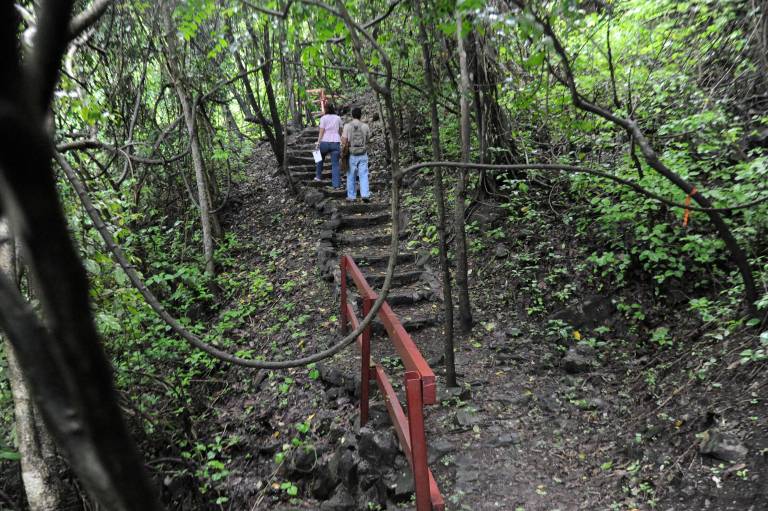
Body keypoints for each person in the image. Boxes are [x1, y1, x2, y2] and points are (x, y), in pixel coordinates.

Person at [341, 106, 371, 202]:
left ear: (352, 115)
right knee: (363, 175)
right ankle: (365, 195)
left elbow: (344, 141)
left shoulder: (347, 126)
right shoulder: (365, 126)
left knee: (351, 175)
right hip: (363, 153)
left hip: (352, 154)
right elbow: (368, 140)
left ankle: (351, 196)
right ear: (360, 115)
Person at [314, 104, 343, 189]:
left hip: (324, 142)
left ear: (326, 110)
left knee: (319, 159)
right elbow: (340, 131)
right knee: (335, 164)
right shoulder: (338, 118)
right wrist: (340, 139)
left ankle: (318, 176)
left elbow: (321, 132)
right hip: (335, 142)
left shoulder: (323, 118)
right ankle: (336, 185)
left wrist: (318, 142)